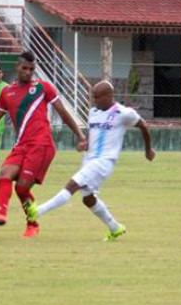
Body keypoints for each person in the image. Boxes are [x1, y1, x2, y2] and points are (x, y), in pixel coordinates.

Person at [0, 52, 87, 238]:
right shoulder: (7, 92)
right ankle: (0, 212)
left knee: (22, 187)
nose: (28, 72)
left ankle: (32, 224)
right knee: (3, 175)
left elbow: (63, 113)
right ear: (17, 67)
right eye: (24, 68)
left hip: (42, 145)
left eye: (31, 69)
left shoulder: (43, 87)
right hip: (21, 145)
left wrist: (81, 135)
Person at [24, 81, 155, 242]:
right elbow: (92, 137)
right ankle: (115, 228)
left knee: (72, 185)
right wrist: (84, 143)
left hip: (104, 162)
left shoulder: (124, 113)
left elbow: (144, 126)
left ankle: (38, 211)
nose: (94, 100)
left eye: (97, 97)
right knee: (88, 199)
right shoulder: (93, 112)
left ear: (109, 96)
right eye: (93, 97)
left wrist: (148, 149)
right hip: (89, 160)